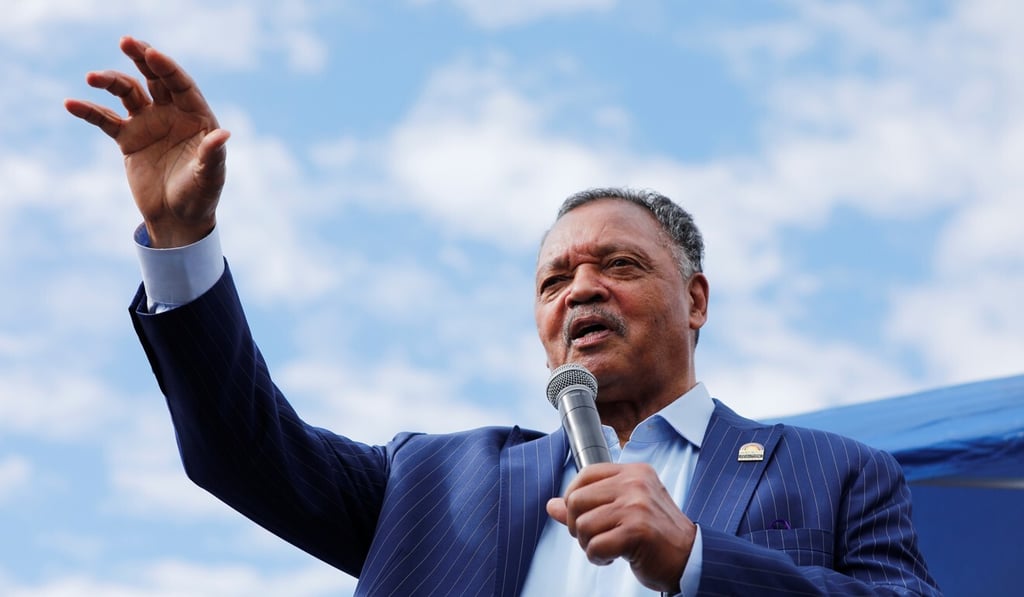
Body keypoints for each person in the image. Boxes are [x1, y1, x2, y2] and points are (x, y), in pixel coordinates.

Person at [66, 37, 941, 596]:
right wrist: (183, 240)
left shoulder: (838, 473)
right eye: (555, 279)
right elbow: (242, 449)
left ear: (697, 300)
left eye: (620, 265)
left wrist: (697, 557)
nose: (581, 289)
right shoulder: (430, 483)